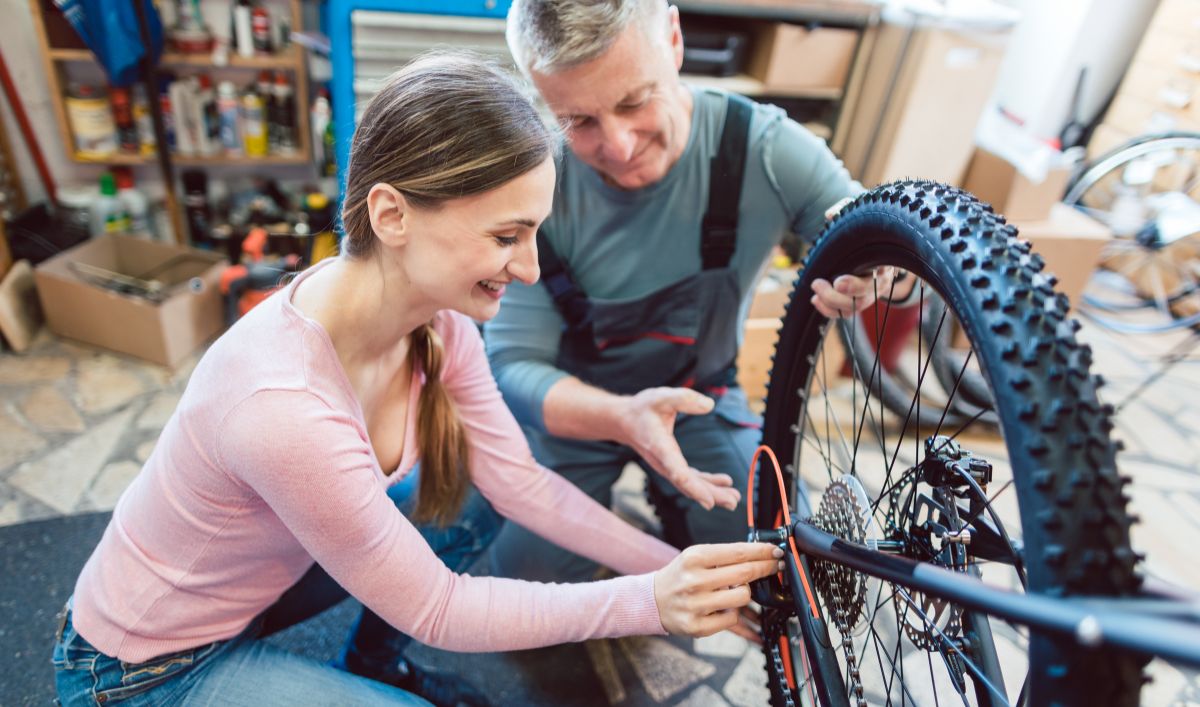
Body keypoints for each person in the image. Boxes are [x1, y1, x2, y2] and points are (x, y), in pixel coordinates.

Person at [51, 52, 783, 707]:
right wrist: (651, 601)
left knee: (473, 491)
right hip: (142, 671)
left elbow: (521, 484)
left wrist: (688, 572)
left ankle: (373, 663)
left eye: (535, 232)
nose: (529, 268)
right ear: (392, 214)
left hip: (248, 596)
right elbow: (441, 609)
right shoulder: (283, 406)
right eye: (507, 236)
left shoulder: (439, 326)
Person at [485, 0, 910, 584]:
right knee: (530, 589)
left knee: (778, 563)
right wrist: (622, 417)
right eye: (577, 121)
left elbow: (889, 240)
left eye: (635, 101)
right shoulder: (538, 181)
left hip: (698, 398)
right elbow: (512, 365)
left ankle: (680, 501)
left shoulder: (763, 148)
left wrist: (881, 276)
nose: (620, 145)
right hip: (577, 413)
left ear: (675, 40)